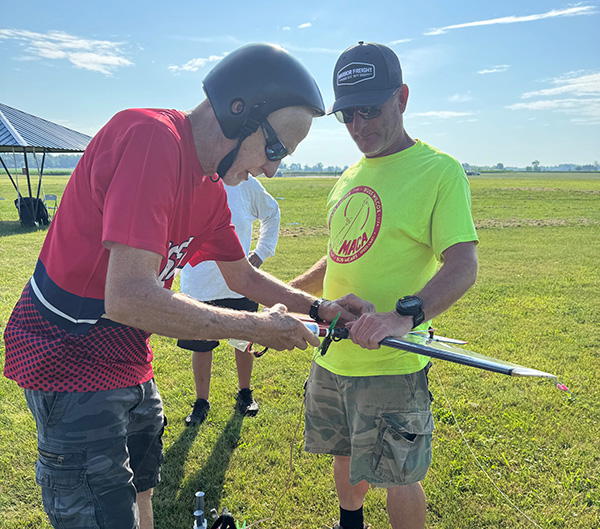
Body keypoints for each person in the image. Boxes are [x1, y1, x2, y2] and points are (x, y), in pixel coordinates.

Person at [2, 43, 372, 529]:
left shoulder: (212, 189)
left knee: (142, 483)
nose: (272, 168)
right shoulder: (150, 139)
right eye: (276, 148)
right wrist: (259, 328)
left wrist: (320, 308)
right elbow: (129, 296)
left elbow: (243, 277)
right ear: (238, 110)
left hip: (127, 351)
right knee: (99, 505)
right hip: (67, 352)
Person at [290, 41, 479, 529]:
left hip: (391, 360)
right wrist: (289, 296)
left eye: (369, 110)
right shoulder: (350, 174)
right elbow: (339, 256)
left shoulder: (439, 171)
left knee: (397, 473)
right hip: (333, 354)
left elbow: (463, 263)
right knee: (345, 453)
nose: (358, 126)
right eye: (346, 115)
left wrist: (402, 316)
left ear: (403, 98)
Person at [178, 176, 280, 425]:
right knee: (201, 347)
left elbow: (272, 212)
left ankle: (245, 393)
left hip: (240, 285)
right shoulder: (187, 178)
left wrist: (261, 252)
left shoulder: (245, 183)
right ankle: (202, 401)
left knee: (243, 341)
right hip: (199, 284)